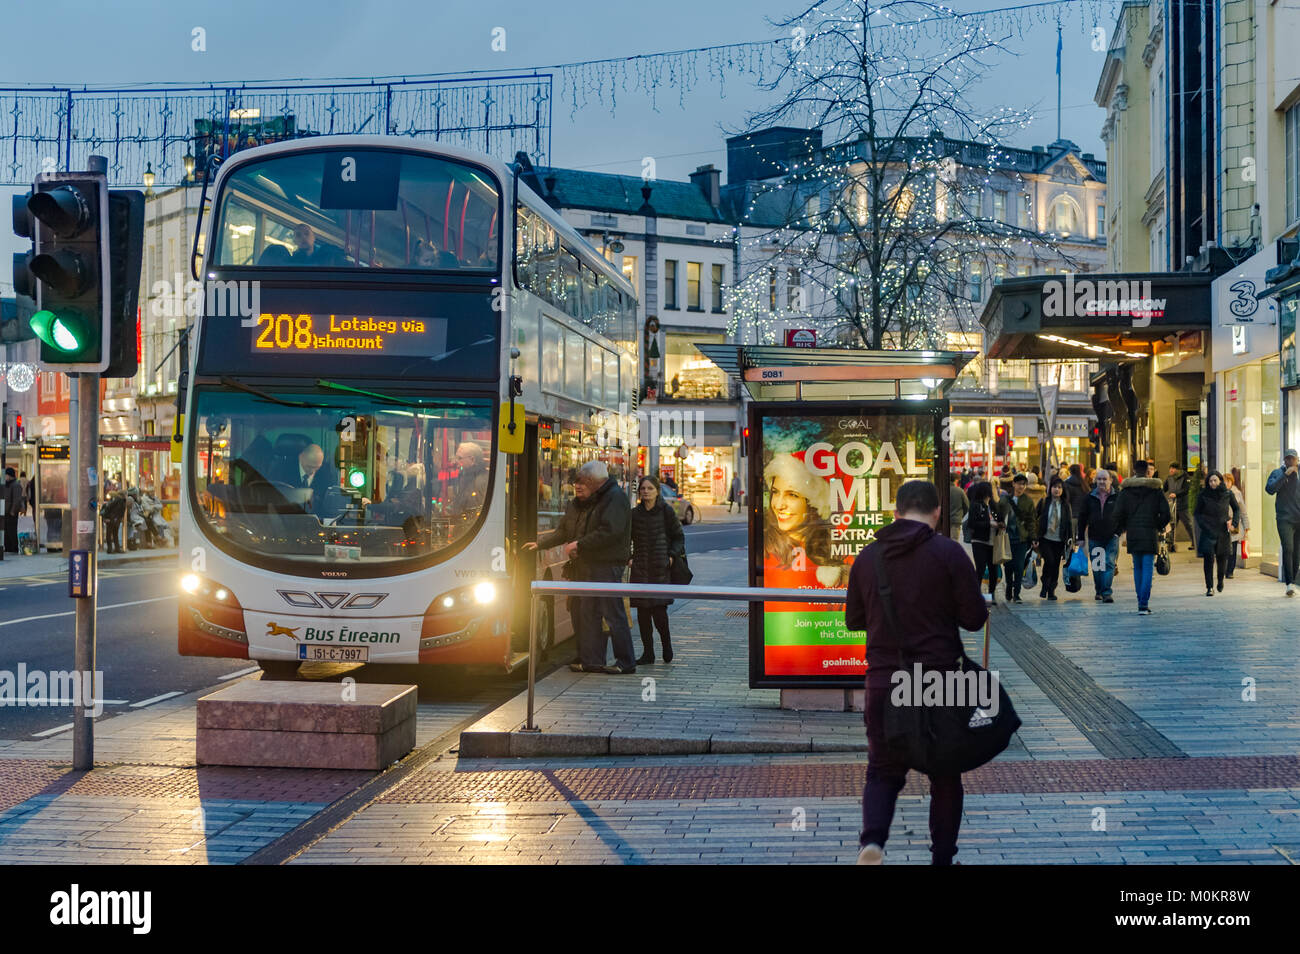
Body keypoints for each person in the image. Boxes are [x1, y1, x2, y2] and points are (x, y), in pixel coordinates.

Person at [844, 479, 988, 866]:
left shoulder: (868, 558)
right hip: (939, 682)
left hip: (884, 681)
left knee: (883, 771)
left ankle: (872, 843)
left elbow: (854, 619)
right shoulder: (950, 553)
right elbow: (975, 618)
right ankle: (942, 858)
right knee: (945, 774)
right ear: (938, 512)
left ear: (896, 511)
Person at [523, 460, 636, 673]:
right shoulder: (586, 501)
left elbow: (610, 531)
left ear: (594, 481)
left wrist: (580, 545)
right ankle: (592, 660)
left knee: (613, 614)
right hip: (587, 564)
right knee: (588, 612)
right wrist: (541, 544)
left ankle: (626, 662)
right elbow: (566, 530)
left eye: (583, 482)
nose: (578, 487)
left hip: (606, 564)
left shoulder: (614, 499)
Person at [761, 453, 849, 588]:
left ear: (814, 504)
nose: (779, 505)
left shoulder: (837, 551)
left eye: (792, 495)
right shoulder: (766, 548)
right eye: (775, 492)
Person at [628, 475, 685, 664]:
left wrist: (671, 555)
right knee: (643, 615)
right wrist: (629, 558)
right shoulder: (634, 514)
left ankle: (667, 647)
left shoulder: (666, 512)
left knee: (660, 614)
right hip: (640, 568)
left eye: (650, 488)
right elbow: (625, 539)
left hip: (660, 568)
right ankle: (648, 653)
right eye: (643, 489)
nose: (646, 492)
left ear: (657, 491)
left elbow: (678, 537)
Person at [1112, 460, 1170, 616]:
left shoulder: (1125, 491)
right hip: (1150, 532)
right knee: (1148, 567)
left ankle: (1140, 602)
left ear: (1133, 470)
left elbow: (1117, 513)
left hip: (1133, 533)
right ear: (1147, 471)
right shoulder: (1155, 490)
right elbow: (1166, 514)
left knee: (1137, 567)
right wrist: (1158, 525)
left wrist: (1124, 527)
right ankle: (1144, 604)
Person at [1194, 470, 1241, 597]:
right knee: (1208, 560)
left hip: (1223, 531)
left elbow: (1237, 509)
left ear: (1220, 481)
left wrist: (1234, 523)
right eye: (1210, 481)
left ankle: (1220, 581)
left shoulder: (1227, 493)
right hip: (1208, 531)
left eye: (1215, 480)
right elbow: (1197, 513)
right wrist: (1203, 525)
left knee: (1222, 559)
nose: (1213, 483)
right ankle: (1209, 587)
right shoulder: (1203, 495)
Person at [1076, 469, 1120, 603]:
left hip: (1112, 536)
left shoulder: (1117, 497)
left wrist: (1118, 532)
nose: (1101, 481)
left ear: (1110, 481)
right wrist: (1081, 538)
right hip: (1094, 536)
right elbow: (1082, 518)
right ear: (1095, 481)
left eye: (1104, 479)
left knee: (1109, 562)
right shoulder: (1089, 497)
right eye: (1099, 479)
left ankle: (1107, 592)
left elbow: (1124, 516)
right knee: (1097, 565)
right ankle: (1099, 590)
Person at [1264, 448, 1300, 596]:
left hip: (1299, 518)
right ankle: (1289, 583)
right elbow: (1270, 489)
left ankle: (1293, 579)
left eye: (1293, 459)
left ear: (1297, 460)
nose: (1290, 461)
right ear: (1284, 460)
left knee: (1297, 553)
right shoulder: (1277, 473)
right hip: (1284, 519)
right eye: (1287, 459)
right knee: (1288, 548)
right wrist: (1285, 475)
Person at [966, 481, 1009, 603]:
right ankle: (976, 594)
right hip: (979, 541)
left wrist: (1001, 525)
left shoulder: (993, 505)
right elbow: (972, 524)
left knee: (993, 569)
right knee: (980, 568)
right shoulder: (976, 505)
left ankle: (991, 594)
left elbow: (1000, 519)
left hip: (993, 542)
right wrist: (989, 524)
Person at [1034, 476, 1073, 600]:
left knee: (1056, 565)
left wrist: (1070, 540)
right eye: (1054, 487)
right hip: (1045, 538)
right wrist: (1035, 537)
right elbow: (1035, 519)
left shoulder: (1066, 505)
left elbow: (1068, 523)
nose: (1057, 490)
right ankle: (1045, 584)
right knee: (1049, 561)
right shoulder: (1044, 502)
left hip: (1059, 539)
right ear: (1050, 488)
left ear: (1063, 490)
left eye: (1059, 487)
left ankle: (1051, 590)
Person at [1005, 473, 1036, 604]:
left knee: (1018, 566)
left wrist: (1033, 537)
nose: (1021, 487)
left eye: (1023, 484)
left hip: (1021, 538)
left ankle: (1016, 593)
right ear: (1013, 484)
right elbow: (998, 515)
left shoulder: (1028, 501)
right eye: (1019, 483)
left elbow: (1032, 521)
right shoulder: (1005, 499)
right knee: (1008, 566)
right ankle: (1008, 587)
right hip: (1007, 538)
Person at [448, 442, 489, 530]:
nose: (455, 462)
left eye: (459, 458)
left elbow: (474, 512)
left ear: (472, 460)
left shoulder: (481, 481)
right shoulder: (466, 477)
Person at [1164, 462, 1196, 552]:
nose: (1171, 470)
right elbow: (1164, 488)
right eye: (1170, 468)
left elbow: (1186, 489)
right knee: (1172, 525)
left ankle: (1195, 542)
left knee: (1188, 525)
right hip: (1173, 505)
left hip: (1183, 505)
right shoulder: (1169, 478)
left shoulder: (1185, 477)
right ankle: (1171, 545)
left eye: (1173, 468)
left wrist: (1176, 494)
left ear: (1178, 470)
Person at [1225, 470, 1248, 579]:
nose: (1226, 483)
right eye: (1224, 481)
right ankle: (1224, 569)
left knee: (1232, 550)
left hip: (1234, 524)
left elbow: (1243, 511)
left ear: (1232, 482)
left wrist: (1246, 526)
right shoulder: (1220, 493)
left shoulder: (1237, 493)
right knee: (1224, 549)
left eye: (1228, 481)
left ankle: (1230, 571)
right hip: (1223, 525)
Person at [2, 468, 22, 554]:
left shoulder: (16, 485)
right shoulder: (6, 484)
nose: (4, 477)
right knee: (5, 531)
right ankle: (8, 548)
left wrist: (13, 510)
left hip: (11, 512)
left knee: (12, 531)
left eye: (6, 475)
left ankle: (13, 548)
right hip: (5, 512)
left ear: (10, 476)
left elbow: (17, 499)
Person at [949, 473, 969, 541]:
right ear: (956, 480)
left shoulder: (944, 490)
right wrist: (961, 515)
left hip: (945, 520)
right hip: (956, 519)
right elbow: (967, 505)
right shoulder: (960, 491)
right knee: (954, 540)